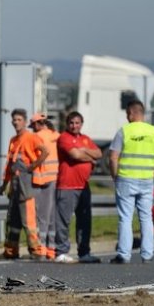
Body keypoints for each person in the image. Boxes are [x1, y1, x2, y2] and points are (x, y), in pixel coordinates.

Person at [108, 100, 154, 264]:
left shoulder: (124, 131)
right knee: (146, 217)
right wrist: (152, 173)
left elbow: (113, 157)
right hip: (146, 180)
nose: (127, 117)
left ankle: (124, 254)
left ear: (133, 113)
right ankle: (147, 255)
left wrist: (115, 176)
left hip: (126, 178)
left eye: (127, 114)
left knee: (125, 218)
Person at [0, 108, 48, 260]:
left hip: (26, 184)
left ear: (25, 122)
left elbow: (45, 151)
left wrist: (33, 166)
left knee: (29, 220)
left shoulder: (31, 137)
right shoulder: (13, 140)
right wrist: (4, 185)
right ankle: (11, 251)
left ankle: (37, 251)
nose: (16, 122)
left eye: (19, 119)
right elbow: (9, 165)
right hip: (15, 184)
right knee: (13, 221)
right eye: (14, 119)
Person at [53, 111, 102, 263]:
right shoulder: (64, 138)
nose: (74, 126)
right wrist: (91, 160)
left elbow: (99, 153)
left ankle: (84, 252)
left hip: (83, 186)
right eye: (72, 123)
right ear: (67, 124)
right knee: (63, 220)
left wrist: (85, 150)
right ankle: (61, 252)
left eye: (77, 123)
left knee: (84, 220)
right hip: (67, 186)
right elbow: (75, 155)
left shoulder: (85, 139)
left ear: (81, 124)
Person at [29, 112, 60, 260]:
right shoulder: (55, 134)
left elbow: (42, 154)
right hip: (55, 177)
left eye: (33, 125)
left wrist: (31, 167)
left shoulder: (36, 137)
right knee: (52, 215)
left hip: (42, 179)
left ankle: (41, 248)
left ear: (37, 124)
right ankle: (51, 249)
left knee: (42, 216)